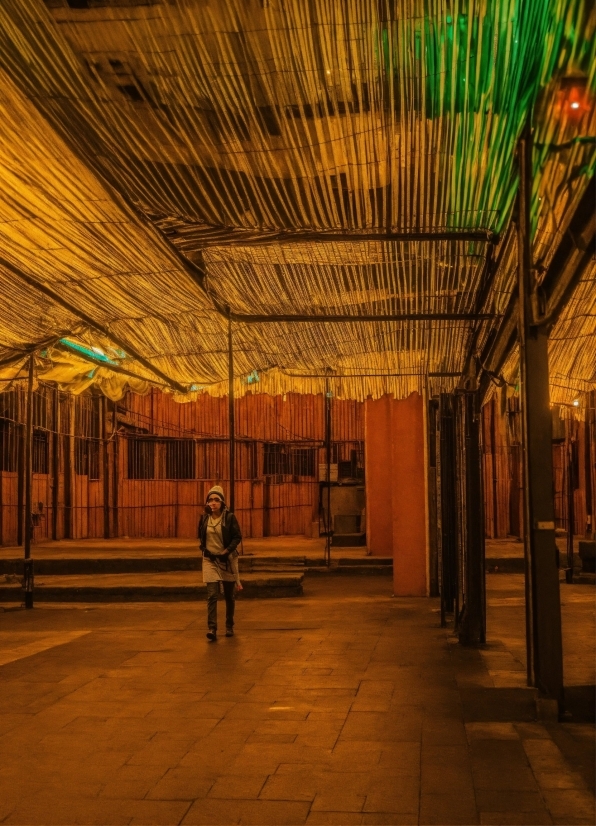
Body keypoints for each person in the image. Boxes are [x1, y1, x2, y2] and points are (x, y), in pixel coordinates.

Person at [198, 485, 242, 641]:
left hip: (226, 560)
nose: (213, 503)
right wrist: (204, 549)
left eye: (216, 500)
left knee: (229, 595)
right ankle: (212, 628)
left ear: (222, 502)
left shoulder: (229, 518)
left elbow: (237, 537)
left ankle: (229, 625)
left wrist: (227, 551)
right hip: (210, 560)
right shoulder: (204, 517)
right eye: (210, 500)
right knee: (212, 595)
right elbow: (200, 537)